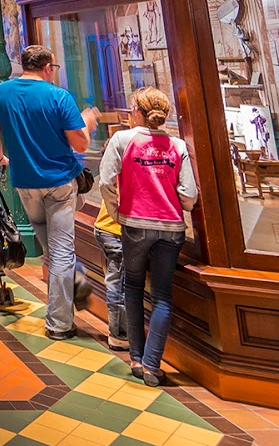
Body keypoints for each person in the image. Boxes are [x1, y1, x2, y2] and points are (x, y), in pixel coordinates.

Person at [0, 45, 99, 340]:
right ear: (47, 67)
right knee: (61, 251)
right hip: (59, 182)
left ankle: (75, 277)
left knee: (51, 247)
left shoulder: (1, 93)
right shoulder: (59, 96)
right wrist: (87, 123)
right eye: (54, 68)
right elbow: (80, 145)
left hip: (25, 183)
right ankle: (60, 323)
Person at [99, 87, 198, 386]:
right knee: (162, 296)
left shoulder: (122, 140)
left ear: (137, 112)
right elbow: (189, 195)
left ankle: (136, 358)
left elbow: (105, 182)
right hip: (171, 227)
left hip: (135, 224)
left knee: (132, 287)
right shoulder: (177, 145)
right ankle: (152, 365)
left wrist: (117, 212)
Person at [93, 197, 128, 352]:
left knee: (116, 282)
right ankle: (119, 335)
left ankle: (120, 332)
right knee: (118, 285)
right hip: (116, 231)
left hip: (104, 227)